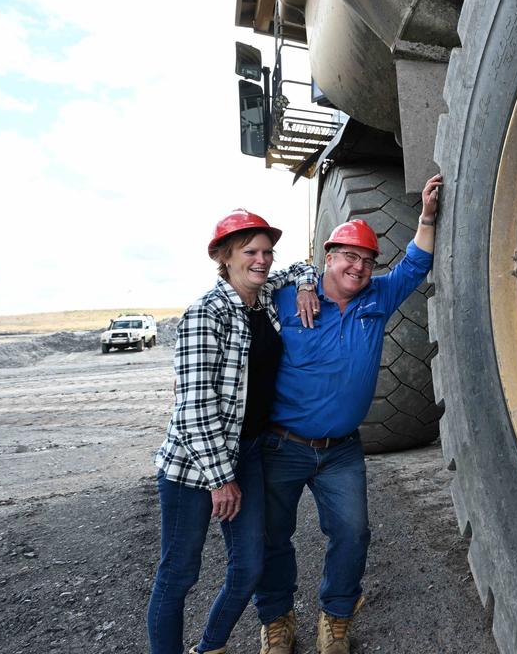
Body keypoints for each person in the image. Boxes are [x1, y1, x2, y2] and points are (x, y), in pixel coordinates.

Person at [255, 173, 443, 654]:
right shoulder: (288, 298)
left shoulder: (377, 299)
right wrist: (300, 276)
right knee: (273, 536)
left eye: (366, 260)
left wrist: (424, 217)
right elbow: (251, 278)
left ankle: (336, 615)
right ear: (328, 258)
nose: (358, 267)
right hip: (283, 447)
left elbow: (416, 264)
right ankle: (277, 620)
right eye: (348, 257)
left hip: (341, 450)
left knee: (353, 533)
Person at [147, 210, 320, 654]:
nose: (261, 260)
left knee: (249, 566)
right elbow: (193, 408)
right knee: (179, 573)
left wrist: (303, 283)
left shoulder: (260, 301)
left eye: (266, 252)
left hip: (247, 453)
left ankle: (210, 647)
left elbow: (304, 266)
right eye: (250, 252)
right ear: (224, 257)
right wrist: (220, 479)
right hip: (194, 466)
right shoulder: (207, 314)